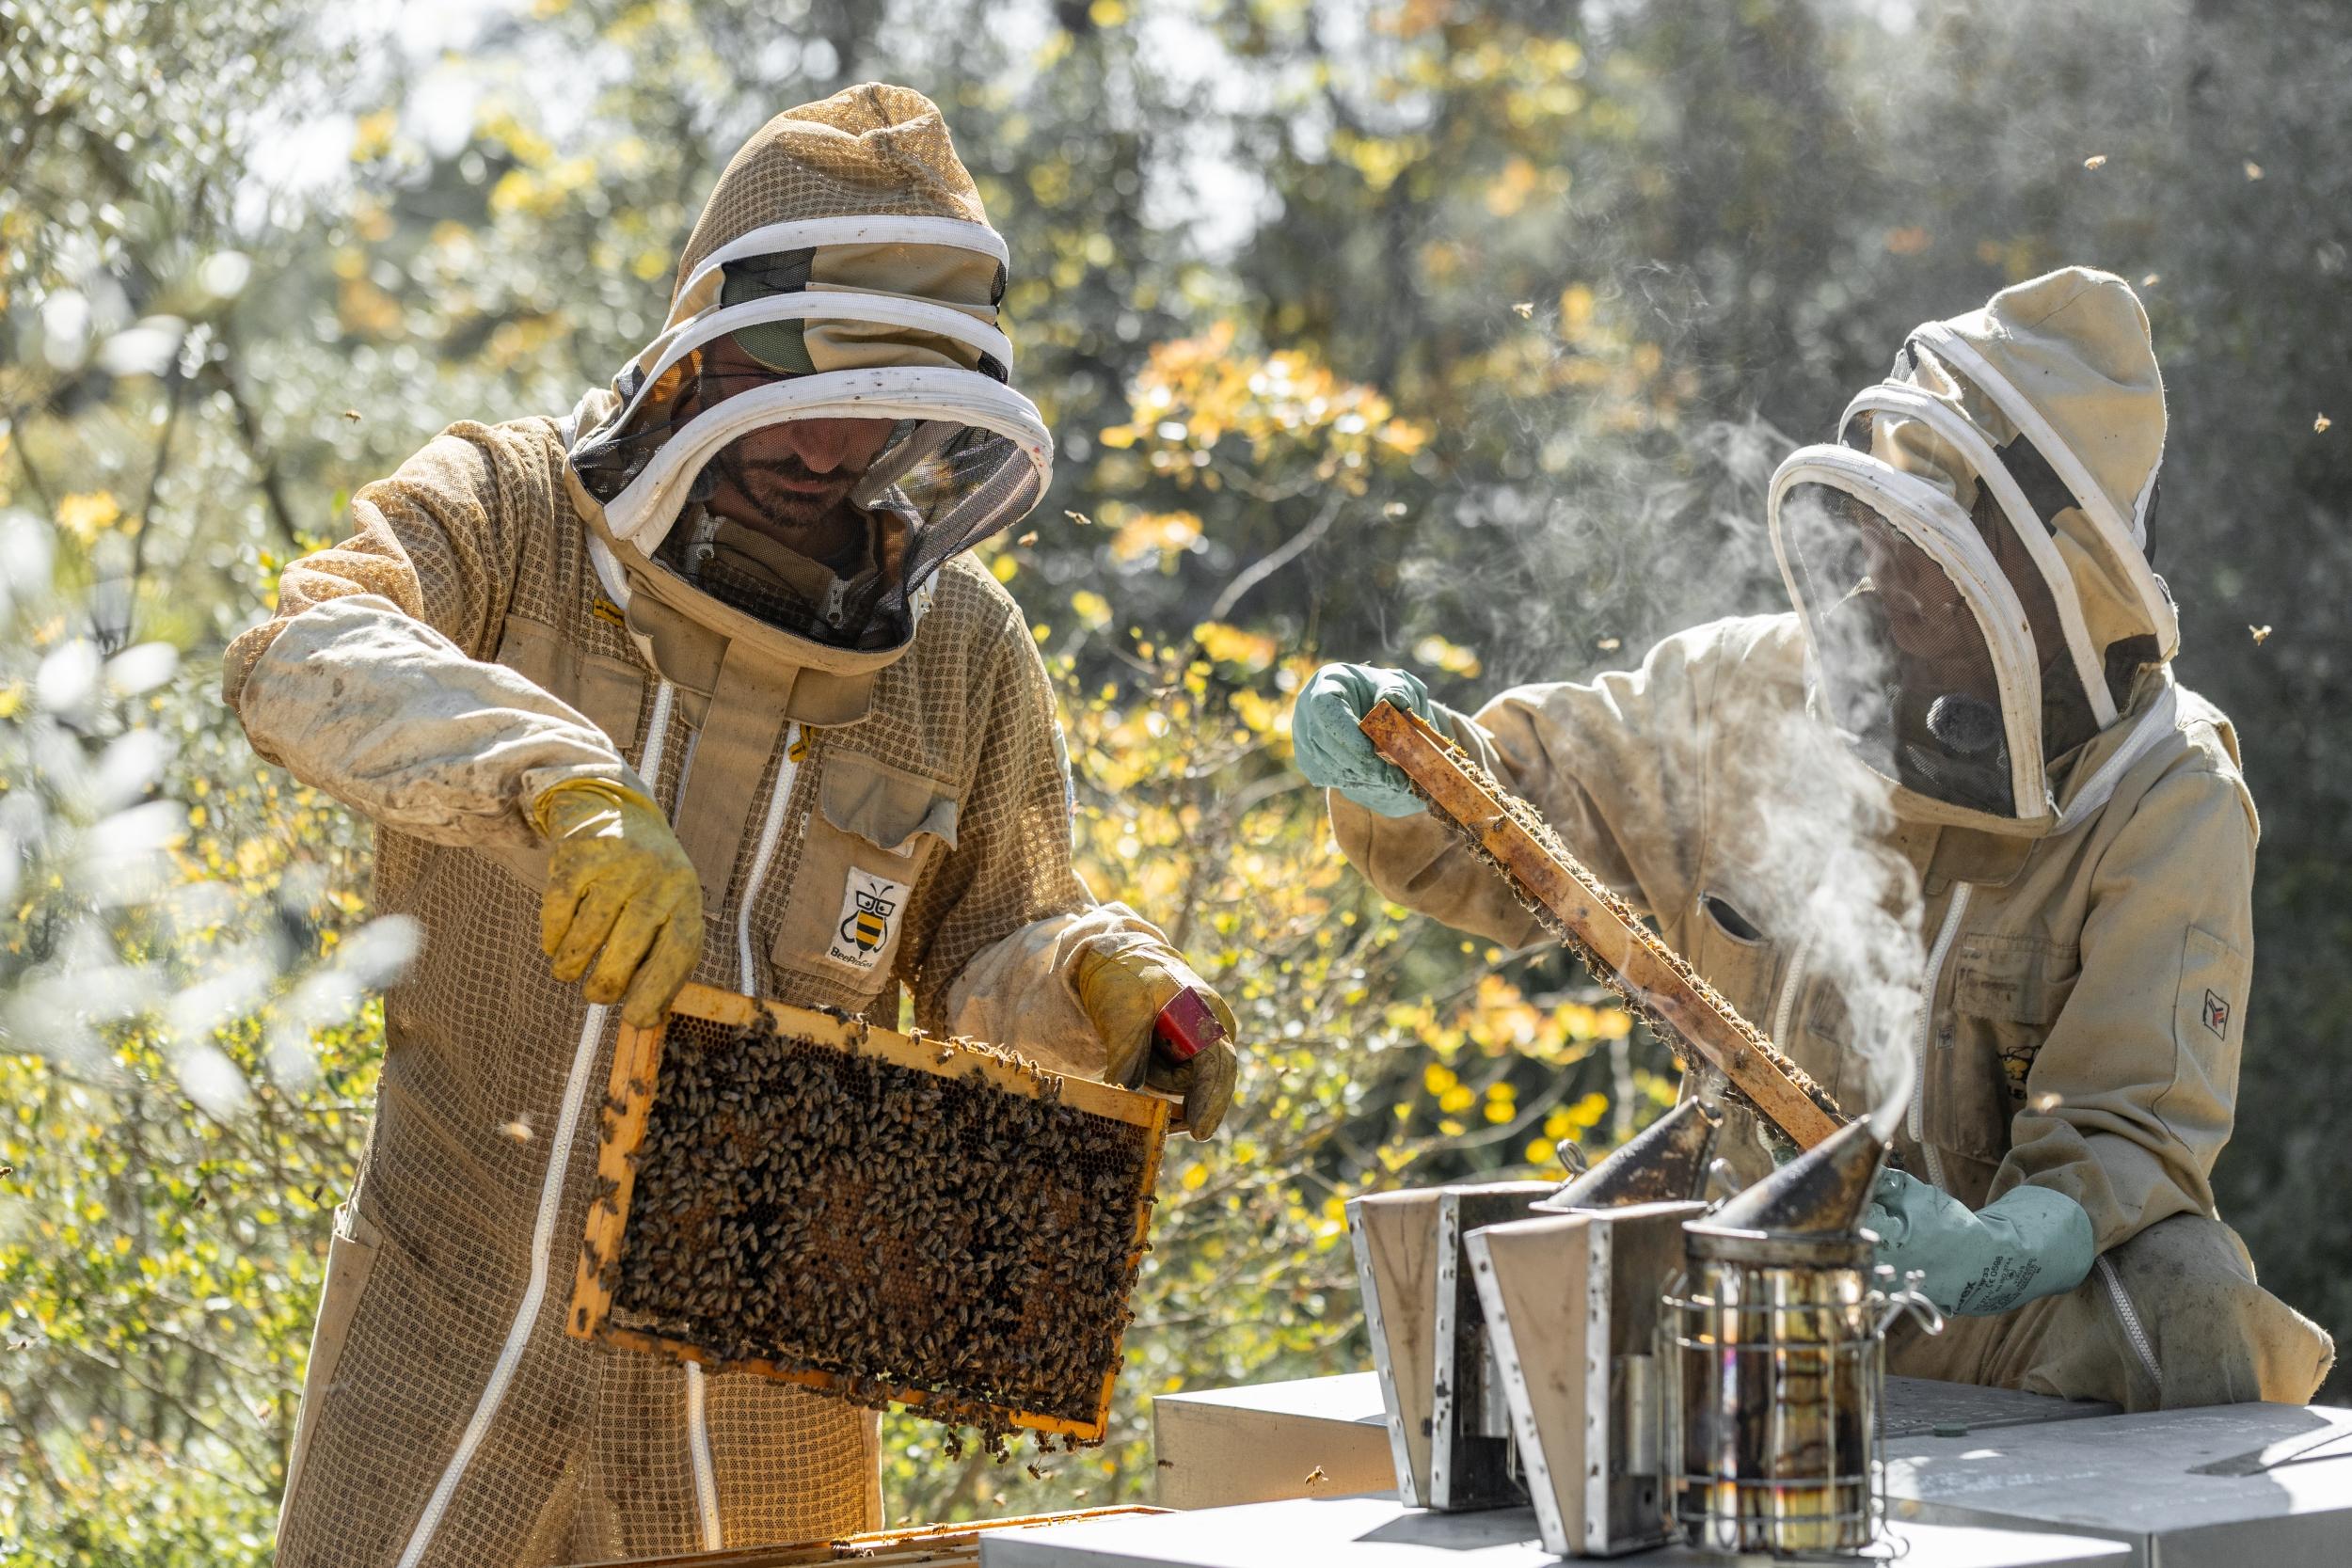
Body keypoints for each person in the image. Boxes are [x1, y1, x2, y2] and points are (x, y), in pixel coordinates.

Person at [225, 84, 1239, 1567]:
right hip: (452, 1318)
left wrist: (1100, 985)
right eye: (802, 384)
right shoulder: (506, 512)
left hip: (770, 1381)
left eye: (880, 406)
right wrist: (554, 781)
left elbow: (995, 950)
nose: (831, 450)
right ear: (707, 345)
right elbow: (300, 654)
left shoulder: (958, 652)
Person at [1293, 267, 2332, 1411]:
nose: (1886, 582)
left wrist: (2002, 1245)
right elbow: (1521, 808)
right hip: (1746, 1283)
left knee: (2185, 1299)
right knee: (1516, 1317)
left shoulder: (2161, 791)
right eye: (1886, 530)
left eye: (1934, 557)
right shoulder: (1744, 686)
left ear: (2051, 591)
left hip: (2003, 1337)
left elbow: (2135, 1124)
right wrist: (1410, 770)